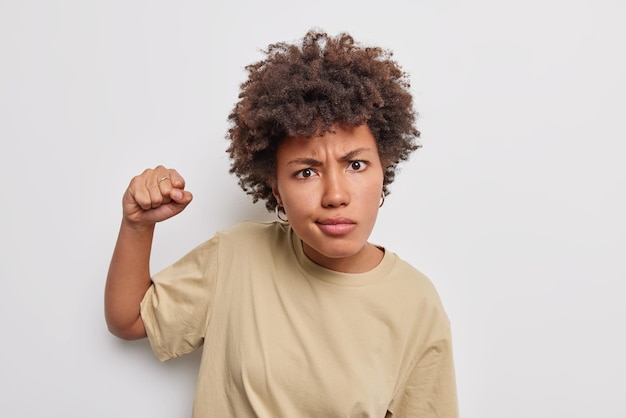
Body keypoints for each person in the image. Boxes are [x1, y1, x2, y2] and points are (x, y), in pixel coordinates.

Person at [105, 30, 458, 418]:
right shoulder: (236, 256)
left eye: (356, 165)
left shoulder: (415, 301)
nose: (335, 195)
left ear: (383, 172)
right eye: (306, 172)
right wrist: (137, 225)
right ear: (275, 189)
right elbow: (130, 320)